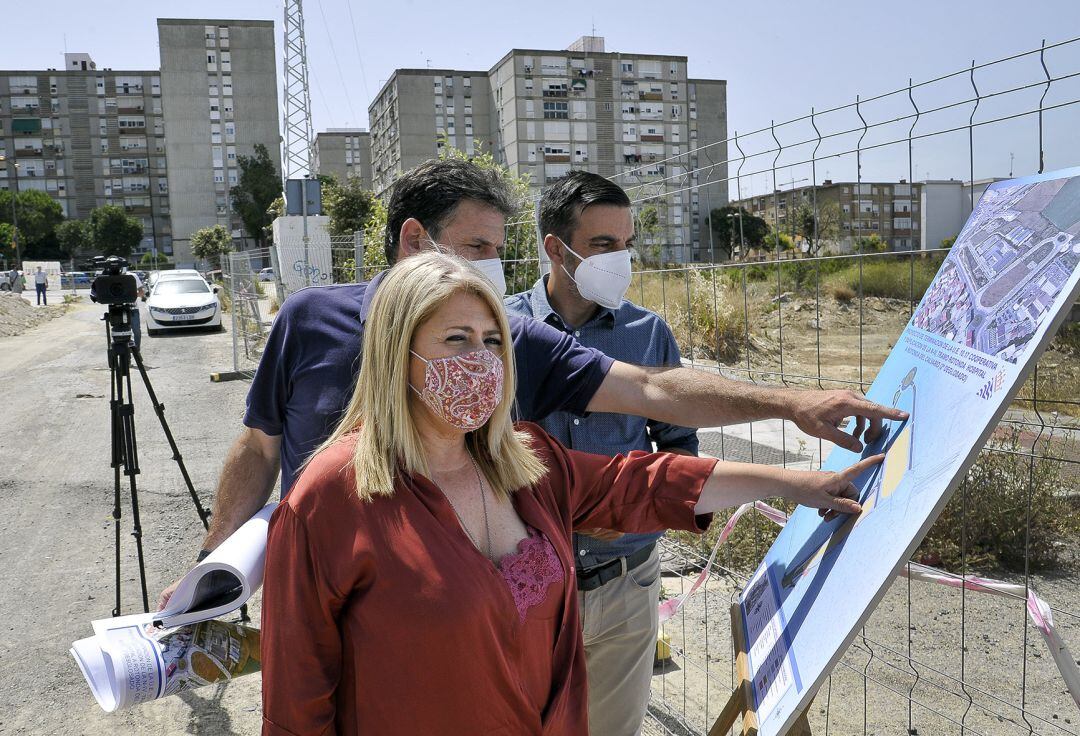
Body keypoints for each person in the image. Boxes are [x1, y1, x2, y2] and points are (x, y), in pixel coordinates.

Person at [158, 158, 904, 608]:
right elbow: (260, 445)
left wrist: (792, 406)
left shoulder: (510, 338)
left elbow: (649, 394)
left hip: (449, 607)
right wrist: (214, 568)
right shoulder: (308, 320)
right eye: (477, 247)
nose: (491, 271)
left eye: (497, 250)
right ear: (415, 239)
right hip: (321, 593)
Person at [260, 252, 882, 735]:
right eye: (456, 340)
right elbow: (297, 701)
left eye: (493, 341)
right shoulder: (329, 500)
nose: (482, 361)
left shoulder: (525, 461)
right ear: (398, 356)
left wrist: (800, 485)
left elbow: (640, 482)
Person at [506, 172, 692, 735]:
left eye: (627, 244)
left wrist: (637, 511)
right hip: (522, 582)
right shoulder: (499, 328)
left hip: (625, 584)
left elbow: (678, 444)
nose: (621, 259)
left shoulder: (647, 334)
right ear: (555, 249)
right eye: (603, 245)